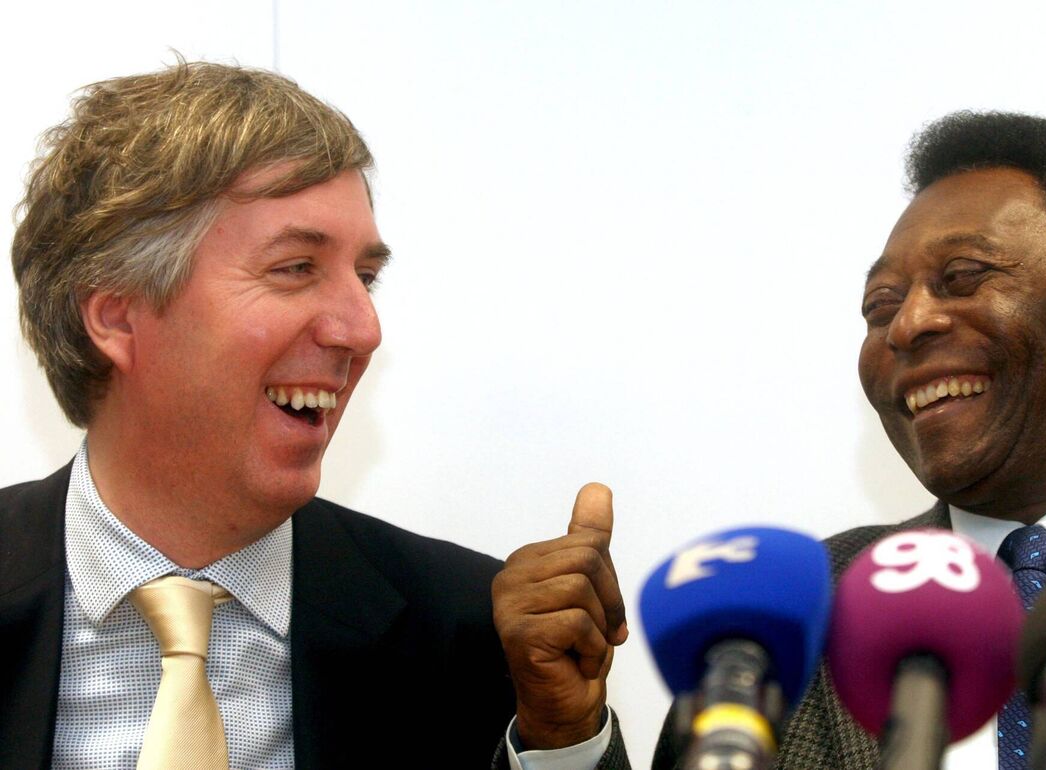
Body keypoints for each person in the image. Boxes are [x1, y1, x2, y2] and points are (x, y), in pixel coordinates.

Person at [0, 61, 628, 770]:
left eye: (365, 277)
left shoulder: (470, 634)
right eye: (296, 268)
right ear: (116, 317)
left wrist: (562, 741)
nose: (362, 329)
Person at [633, 111, 1046, 769]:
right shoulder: (771, 629)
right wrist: (565, 742)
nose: (907, 325)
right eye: (881, 307)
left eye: (962, 276)